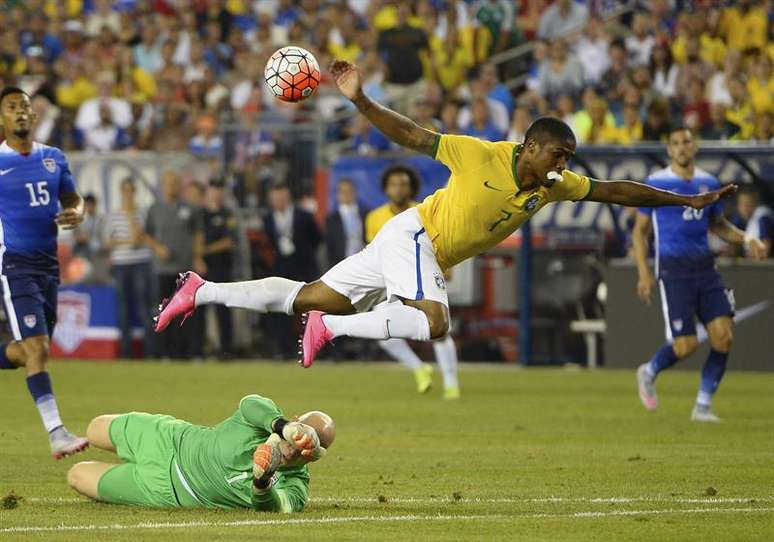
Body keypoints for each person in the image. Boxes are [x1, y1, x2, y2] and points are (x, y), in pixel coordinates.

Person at [155, 59, 737, 370]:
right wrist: (359, 99)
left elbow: (616, 191)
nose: (564, 163)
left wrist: (683, 201)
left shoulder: (555, 184)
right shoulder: (479, 152)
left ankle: (200, 291)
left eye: (567, 158)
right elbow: (410, 133)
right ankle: (331, 329)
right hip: (414, 234)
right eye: (558, 153)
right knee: (435, 323)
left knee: (305, 296)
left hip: (406, 246)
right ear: (530, 146)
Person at [632, 127, 768, 422]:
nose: (682, 147)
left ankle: (702, 406)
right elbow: (639, 233)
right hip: (673, 271)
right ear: (669, 150)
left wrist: (747, 239)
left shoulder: (708, 182)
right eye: (676, 143)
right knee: (686, 346)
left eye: (687, 142)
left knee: (723, 337)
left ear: (695, 147)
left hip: (706, 270)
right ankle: (650, 371)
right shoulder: (656, 183)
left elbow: (718, 225)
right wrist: (644, 273)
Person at [0, 87, 88, 458]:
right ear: (2, 118)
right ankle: (56, 433)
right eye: (11, 107)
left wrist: (78, 212)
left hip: (49, 266)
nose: (20, 111)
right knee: (36, 349)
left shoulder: (53, 158)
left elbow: (72, 198)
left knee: (30, 351)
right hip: (14, 264)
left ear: (34, 117)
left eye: (25, 106)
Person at [67, 394, 333, 512]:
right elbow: (249, 403)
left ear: (314, 457)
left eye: (305, 451)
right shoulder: (265, 418)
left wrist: (262, 484)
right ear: (295, 422)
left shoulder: (296, 486)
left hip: (163, 490)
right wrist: (282, 427)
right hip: (167, 437)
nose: (294, 450)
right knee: (93, 429)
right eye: (298, 437)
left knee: (76, 475)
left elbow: (279, 508)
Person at [366, 165, 460, 399]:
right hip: (393, 284)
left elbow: (439, 244)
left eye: (404, 184)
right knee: (383, 334)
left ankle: (451, 384)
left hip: (423, 280)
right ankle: (419, 368)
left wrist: (446, 268)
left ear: (412, 187)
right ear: (386, 188)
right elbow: (376, 253)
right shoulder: (374, 217)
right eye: (394, 184)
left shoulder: (424, 211)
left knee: (439, 331)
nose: (399, 189)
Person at [145, 171, 205, 359]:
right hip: (163, 269)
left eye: (175, 183)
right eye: (168, 183)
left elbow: (198, 234)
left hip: (185, 270)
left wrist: (198, 257)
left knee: (188, 313)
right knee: (165, 312)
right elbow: (146, 234)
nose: (172, 187)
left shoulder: (191, 208)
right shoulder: (155, 209)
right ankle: (166, 353)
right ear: (163, 186)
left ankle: (192, 352)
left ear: (180, 186)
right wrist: (158, 247)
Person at [263, 183, 322, 359]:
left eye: (281, 197)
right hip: (281, 269)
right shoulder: (267, 218)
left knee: (313, 310)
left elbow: (317, 239)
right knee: (281, 310)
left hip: (304, 268)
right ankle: (283, 349)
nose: (278, 201)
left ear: (288, 197)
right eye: (275, 198)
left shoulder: (304, 216)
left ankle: (316, 348)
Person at [101, 177, 156, 359]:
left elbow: (140, 236)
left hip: (141, 262)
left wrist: (131, 216)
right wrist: (126, 241)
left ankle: (149, 352)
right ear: (121, 192)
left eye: (131, 191)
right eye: (125, 191)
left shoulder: (142, 213)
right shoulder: (112, 215)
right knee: (123, 307)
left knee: (144, 306)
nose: (128, 195)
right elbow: (107, 242)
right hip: (121, 264)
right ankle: (126, 353)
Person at [202, 179, 237, 357]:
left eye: (219, 190)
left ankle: (226, 349)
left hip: (222, 267)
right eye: (213, 189)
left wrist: (205, 249)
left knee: (223, 309)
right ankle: (198, 348)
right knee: (198, 310)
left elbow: (229, 241)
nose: (216, 193)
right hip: (202, 268)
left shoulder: (227, 214)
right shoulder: (201, 213)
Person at [326, 179, 367, 267]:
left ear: (355, 192)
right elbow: (329, 247)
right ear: (337, 194)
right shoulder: (331, 220)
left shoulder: (367, 214)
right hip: (340, 265)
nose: (346, 194)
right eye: (342, 191)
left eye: (349, 190)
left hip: (364, 263)